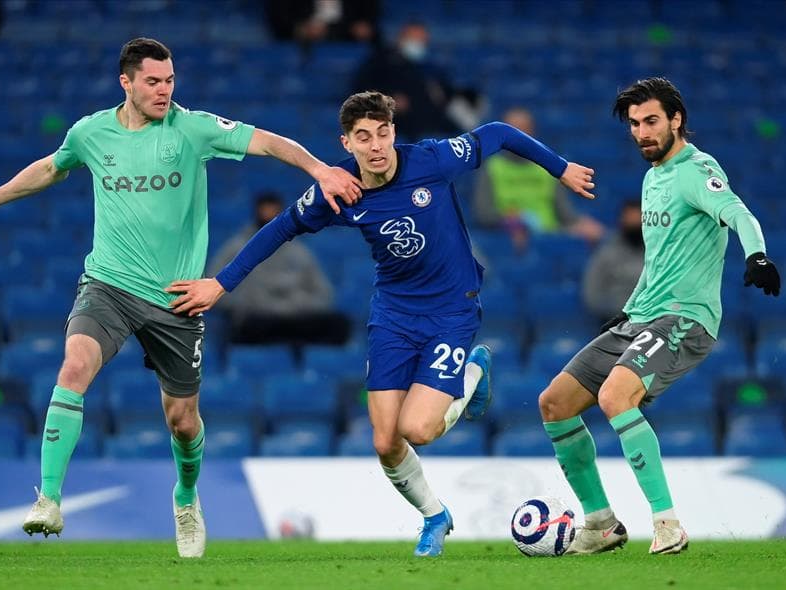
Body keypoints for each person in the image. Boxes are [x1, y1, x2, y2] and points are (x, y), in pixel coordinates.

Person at [0, 37, 362, 558]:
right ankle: (48, 498)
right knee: (73, 366)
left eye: (170, 81)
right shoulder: (91, 132)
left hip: (175, 298)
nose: (164, 91)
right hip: (109, 284)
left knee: (182, 421)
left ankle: (185, 499)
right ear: (127, 83)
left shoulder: (192, 128)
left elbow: (270, 142)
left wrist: (320, 170)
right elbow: (50, 167)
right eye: (154, 82)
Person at [184, 91, 597, 557]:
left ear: (394, 133)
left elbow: (498, 134)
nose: (376, 145)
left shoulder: (431, 161)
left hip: (451, 311)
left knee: (417, 430)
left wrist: (559, 168)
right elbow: (280, 228)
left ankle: (473, 372)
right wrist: (220, 284)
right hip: (393, 316)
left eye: (383, 133)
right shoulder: (339, 188)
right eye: (364, 137)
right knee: (385, 441)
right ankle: (435, 516)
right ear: (347, 142)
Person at [537, 77, 780, 556]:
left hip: (685, 319)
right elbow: (660, 260)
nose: (642, 132)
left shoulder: (697, 169)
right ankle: (602, 524)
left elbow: (739, 213)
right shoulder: (653, 178)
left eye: (651, 121)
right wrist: (627, 311)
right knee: (554, 403)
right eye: (634, 124)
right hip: (640, 317)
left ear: (676, 120)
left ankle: (667, 524)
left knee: (615, 395)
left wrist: (757, 256)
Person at [207, 190, 351, 346]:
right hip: (256, 318)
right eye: (265, 210)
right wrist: (247, 304)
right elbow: (213, 286)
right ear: (256, 211)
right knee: (247, 326)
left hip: (294, 317)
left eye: (273, 210)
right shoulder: (236, 247)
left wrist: (298, 304)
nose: (269, 215)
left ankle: (305, 364)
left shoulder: (299, 252)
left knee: (339, 324)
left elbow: (324, 293)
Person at [474, 107, 604, 250]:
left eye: (522, 130)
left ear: (532, 132)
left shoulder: (550, 165)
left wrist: (582, 223)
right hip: (507, 239)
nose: (516, 137)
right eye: (511, 131)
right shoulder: (492, 168)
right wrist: (511, 224)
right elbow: (484, 214)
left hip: (548, 240)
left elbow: (565, 213)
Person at [352, 23, 483, 140]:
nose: (418, 44)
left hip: (434, 124)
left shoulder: (431, 69)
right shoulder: (381, 62)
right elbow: (362, 89)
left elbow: (448, 93)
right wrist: (388, 99)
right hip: (397, 124)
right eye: (414, 39)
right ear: (401, 39)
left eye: (422, 40)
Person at [582, 199, 644, 324]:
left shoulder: (658, 252)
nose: (635, 224)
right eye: (631, 220)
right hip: (614, 321)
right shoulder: (606, 252)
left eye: (638, 221)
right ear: (622, 221)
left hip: (652, 321)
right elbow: (592, 294)